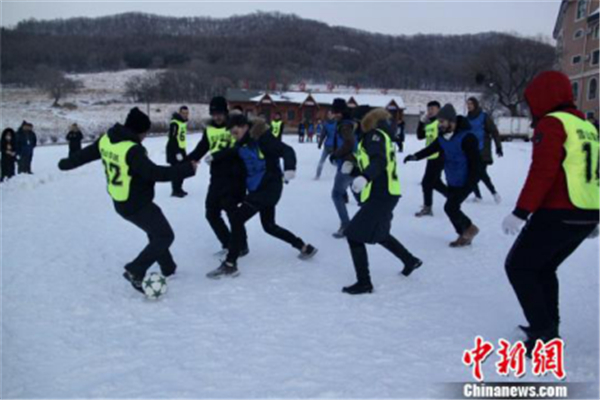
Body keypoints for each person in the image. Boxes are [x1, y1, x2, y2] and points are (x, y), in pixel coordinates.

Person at [501, 71, 599, 354]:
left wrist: (521, 211)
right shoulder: (586, 125)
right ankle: (548, 326)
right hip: (586, 211)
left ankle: (543, 334)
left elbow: (543, 171)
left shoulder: (552, 123)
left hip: (559, 210)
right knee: (543, 268)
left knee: (518, 267)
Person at [57, 107, 197, 294]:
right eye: (145, 133)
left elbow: (84, 155)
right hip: (137, 204)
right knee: (165, 235)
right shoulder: (133, 150)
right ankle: (135, 270)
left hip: (121, 202)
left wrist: (65, 163)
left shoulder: (107, 139)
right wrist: (187, 169)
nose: (145, 137)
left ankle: (169, 268)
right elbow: (155, 173)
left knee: (156, 231)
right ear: (138, 131)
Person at [206, 114, 318, 278]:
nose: (234, 136)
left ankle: (230, 264)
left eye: (236, 132)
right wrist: (215, 156)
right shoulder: (242, 143)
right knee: (269, 226)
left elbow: (287, 150)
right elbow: (232, 151)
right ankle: (304, 247)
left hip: (268, 188)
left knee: (237, 218)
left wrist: (290, 169)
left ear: (244, 127)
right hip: (260, 189)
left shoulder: (263, 138)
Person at [341, 109, 422, 295]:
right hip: (386, 192)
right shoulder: (377, 135)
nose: (353, 126)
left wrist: (365, 177)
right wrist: (354, 168)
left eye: (355, 122)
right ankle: (410, 260)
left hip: (381, 194)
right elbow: (372, 163)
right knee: (380, 233)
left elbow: (379, 162)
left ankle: (364, 283)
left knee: (353, 234)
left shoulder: (374, 135)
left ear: (363, 121)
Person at [404, 104, 481, 247]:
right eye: (438, 122)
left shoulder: (467, 138)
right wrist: (415, 156)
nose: (439, 125)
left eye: (442, 122)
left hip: (466, 181)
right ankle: (463, 234)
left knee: (450, 207)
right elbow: (430, 149)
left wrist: (470, 184)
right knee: (451, 208)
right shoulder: (443, 137)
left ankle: (470, 228)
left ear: (452, 122)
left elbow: (477, 165)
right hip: (452, 178)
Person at [187, 96, 249, 256]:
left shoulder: (236, 125)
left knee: (232, 212)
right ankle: (229, 243)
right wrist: (187, 161)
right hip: (217, 176)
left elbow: (241, 147)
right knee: (211, 212)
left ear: (226, 112)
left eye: (220, 113)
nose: (217, 117)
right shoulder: (209, 129)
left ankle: (241, 246)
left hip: (235, 175)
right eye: (214, 114)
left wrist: (220, 155)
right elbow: (201, 148)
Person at [466, 97, 503, 203]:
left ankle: (494, 193)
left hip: (483, 151)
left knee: (481, 173)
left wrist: (498, 147)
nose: (469, 106)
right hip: (471, 151)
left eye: (471, 104)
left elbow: (494, 132)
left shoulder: (484, 117)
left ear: (476, 105)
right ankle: (478, 196)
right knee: (471, 174)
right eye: (468, 104)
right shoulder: (467, 118)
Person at [329, 98, 358, 238]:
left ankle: (346, 225)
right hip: (356, 162)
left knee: (336, 194)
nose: (333, 115)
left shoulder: (344, 126)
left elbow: (349, 143)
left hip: (347, 164)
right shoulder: (351, 122)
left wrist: (335, 154)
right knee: (358, 193)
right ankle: (371, 220)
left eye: (334, 112)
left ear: (339, 112)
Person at [414, 101, 447, 217]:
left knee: (426, 183)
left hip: (439, 156)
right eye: (428, 109)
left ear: (439, 109)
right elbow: (419, 136)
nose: (430, 111)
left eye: (433, 108)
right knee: (436, 182)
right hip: (431, 156)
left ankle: (427, 208)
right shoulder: (430, 123)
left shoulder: (440, 123)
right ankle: (453, 197)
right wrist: (421, 122)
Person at [166, 105, 190, 197]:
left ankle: (179, 188)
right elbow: (172, 138)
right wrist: (177, 152)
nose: (185, 115)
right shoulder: (175, 123)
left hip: (181, 149)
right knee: (176, 170)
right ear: (180, 113)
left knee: (182, 170)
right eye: (183, 113)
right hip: (174, 150)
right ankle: (175, 190)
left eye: (187, 113)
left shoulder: (183, 122)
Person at [315, 114, 337, 179]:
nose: (330, 116)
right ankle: (317, 175)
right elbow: (323, 134)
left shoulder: (335, 124)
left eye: (331, 115)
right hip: (328, 146)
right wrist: (320, 143)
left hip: (334, 146)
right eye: (329, 115)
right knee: (321, 161)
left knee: (337, 162)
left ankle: (339, 176)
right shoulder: (327, 124)